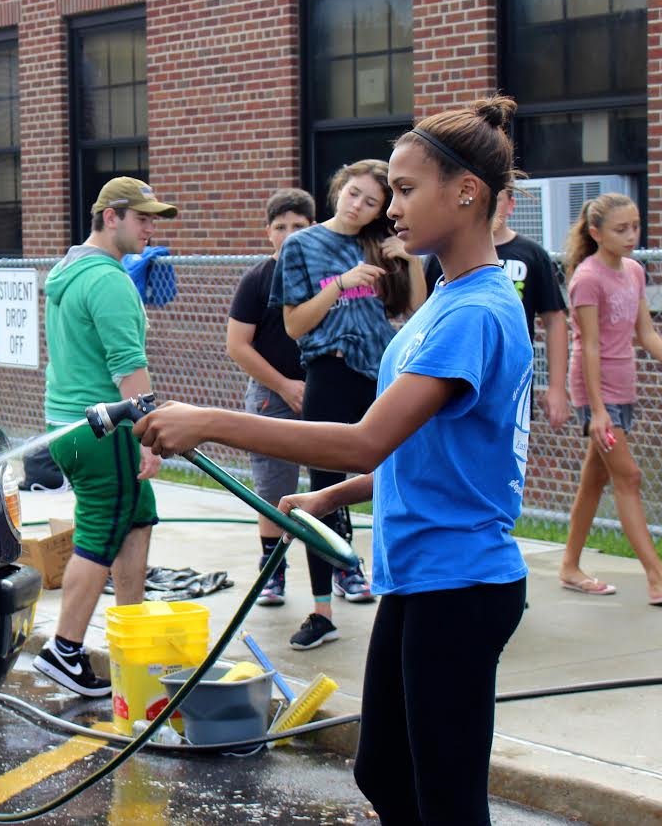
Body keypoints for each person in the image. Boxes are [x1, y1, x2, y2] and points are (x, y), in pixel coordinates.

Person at [133, 97, 533, 826]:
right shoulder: (447, 296)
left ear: (467, 191)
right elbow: (416, 453)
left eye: (407, 191)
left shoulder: (478, 310)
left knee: (447, 801)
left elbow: (364, 437)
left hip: (463, 583)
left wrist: (210, 422)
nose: (392, 210)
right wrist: (326, 498)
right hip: (422, 575)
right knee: (384, 772)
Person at [270, 159, 426, 651]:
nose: (358, 206)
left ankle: (396, 586)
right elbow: (295, 326)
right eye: (354, 194)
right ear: (340, 188)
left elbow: (417, 316)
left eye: (371, 202)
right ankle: (321, 609)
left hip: (378, 373)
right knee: (321, 490)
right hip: (329, 371)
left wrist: (413, 261)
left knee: (395, 478)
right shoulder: (303, 245)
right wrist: (339, 282)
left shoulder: (378, 246)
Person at [32, 176, 177, 697]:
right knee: (99, 535)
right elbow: (128, 368)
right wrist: (148, 435)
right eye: (141, 218)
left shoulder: (68, 269)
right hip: (106, 428)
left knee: (137, 517)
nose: (150, 228)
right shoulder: (109, 280)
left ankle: (128, 643)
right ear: (110, 216)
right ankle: (64, 650)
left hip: (68, 426)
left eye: (153, 219)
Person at [557, 193, 662, 604]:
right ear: (595, 233)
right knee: (628, 476)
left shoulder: (635, 272)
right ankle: (657, 576)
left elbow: (646, 333)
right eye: (620, 229)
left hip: (624, 388)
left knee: (595, 479)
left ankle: (569, 565)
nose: (631, 236)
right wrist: (598, 411)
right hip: (595, 394)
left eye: (635, 226)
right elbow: (587, 346)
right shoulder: (587, 278)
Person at [225, 188, 313, 606]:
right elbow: (238, 346)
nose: (290, 234)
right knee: (274, 486)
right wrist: (284, 386)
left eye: (299, 226)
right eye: (281, 227)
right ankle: (273, 570)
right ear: (268, 233)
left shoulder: (328, 276)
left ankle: (344, 567)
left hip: (321, 391)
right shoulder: (257, 280)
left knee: (332, 480)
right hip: (272, 394)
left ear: (314, 229)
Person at [426, 189, 570, 428]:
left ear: (511, 205)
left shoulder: (532, 255)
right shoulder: (445, 255)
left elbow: (554, 320)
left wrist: (556, 387)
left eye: (496, 200)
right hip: (453, 376)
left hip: (508, 378)